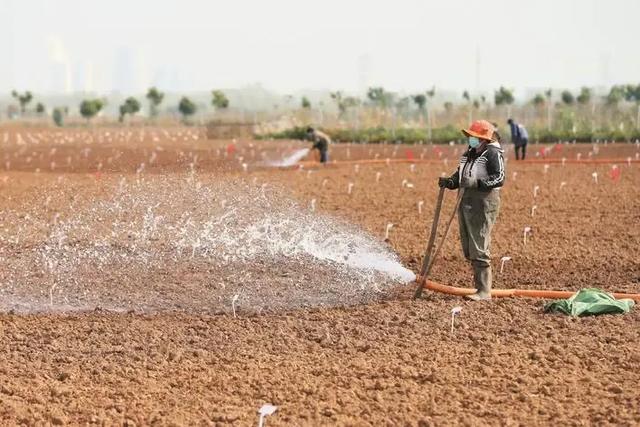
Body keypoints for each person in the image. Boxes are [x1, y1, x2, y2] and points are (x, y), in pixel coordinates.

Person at [438, 120, 505, 301]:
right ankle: (480, 287)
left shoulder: (492, 153)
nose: (470, 139)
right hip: (465, 200)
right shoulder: (471, 153)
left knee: (479, 245)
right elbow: (462, 173)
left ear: (483, 138)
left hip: (482, 202)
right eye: (470, 136)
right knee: (468, 246)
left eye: (473, 136)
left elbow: (499, 178)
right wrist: (451, 182)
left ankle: (484, 291)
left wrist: (477, 183)